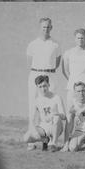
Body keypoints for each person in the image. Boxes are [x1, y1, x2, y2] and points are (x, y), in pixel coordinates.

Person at [26, 17, 62, 150]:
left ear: (51, 28)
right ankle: (32, 138)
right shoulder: (32, 44)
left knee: (52, 106)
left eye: (48, 27)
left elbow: (57, 63)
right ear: (39, 27)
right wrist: (39, 72)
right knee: (33, 106)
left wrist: (47, 71)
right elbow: (30, 62)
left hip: (50, 75)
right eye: (43, 27)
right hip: (35, 74)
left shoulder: (56, 44)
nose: (45, 29)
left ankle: (51, 140)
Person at [22, 75, 66, 153]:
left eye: (45, 86)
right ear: (37, 87)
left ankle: (54, 144)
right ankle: (46, 140)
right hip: (44, 127)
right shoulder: (37, 100)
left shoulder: (56, 97)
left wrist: (57, 114)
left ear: (48, 85)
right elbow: (33, 119)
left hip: (55, 125)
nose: (43, 89)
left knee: (56, 117)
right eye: (40, 86)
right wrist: (35, 129)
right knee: (26, 138)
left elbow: (64, 116)